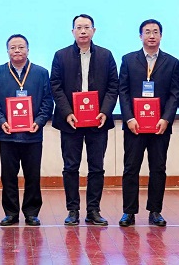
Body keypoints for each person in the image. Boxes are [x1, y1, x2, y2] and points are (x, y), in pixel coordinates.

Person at [50, 14, 119, 226]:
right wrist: (67, 112)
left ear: (93, 31)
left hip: (98, 121)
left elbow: (113, 86)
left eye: (87, 27)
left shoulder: (106, 55)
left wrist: (105, 111)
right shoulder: (61, 55)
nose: (83, 31)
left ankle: (93, 210)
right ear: (72, 31)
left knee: (96, 167)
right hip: (70, 121)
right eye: (78, 27)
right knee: (71, 167)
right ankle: (72, 210)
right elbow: (55, 86)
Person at [118, 19, 179, 227]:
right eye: (147, 32)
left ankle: (155, 211)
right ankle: (129, 212)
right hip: (134, 126)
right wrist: (129, 118)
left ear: (161, 36)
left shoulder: (172, 62)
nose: (151, 35)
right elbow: (123, 91)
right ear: (140, 36)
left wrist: (166, 118)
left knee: (158, 168)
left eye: (155, 32)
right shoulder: (128, 60)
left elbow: (175, 93)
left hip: (160, 126)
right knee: (131, 168)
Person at [0, 34, 54, 226]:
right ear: (7, 51)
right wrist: (1, 121)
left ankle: (31, 213)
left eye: (21, 47)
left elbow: (48, 100)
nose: (17, 51)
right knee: (8, 175)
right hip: (7, 134)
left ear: (28, 50)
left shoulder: (41, 73)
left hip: (33, 134)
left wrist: (39, 121)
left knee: (33, 175)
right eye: (13, 47)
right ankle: (11, 213)